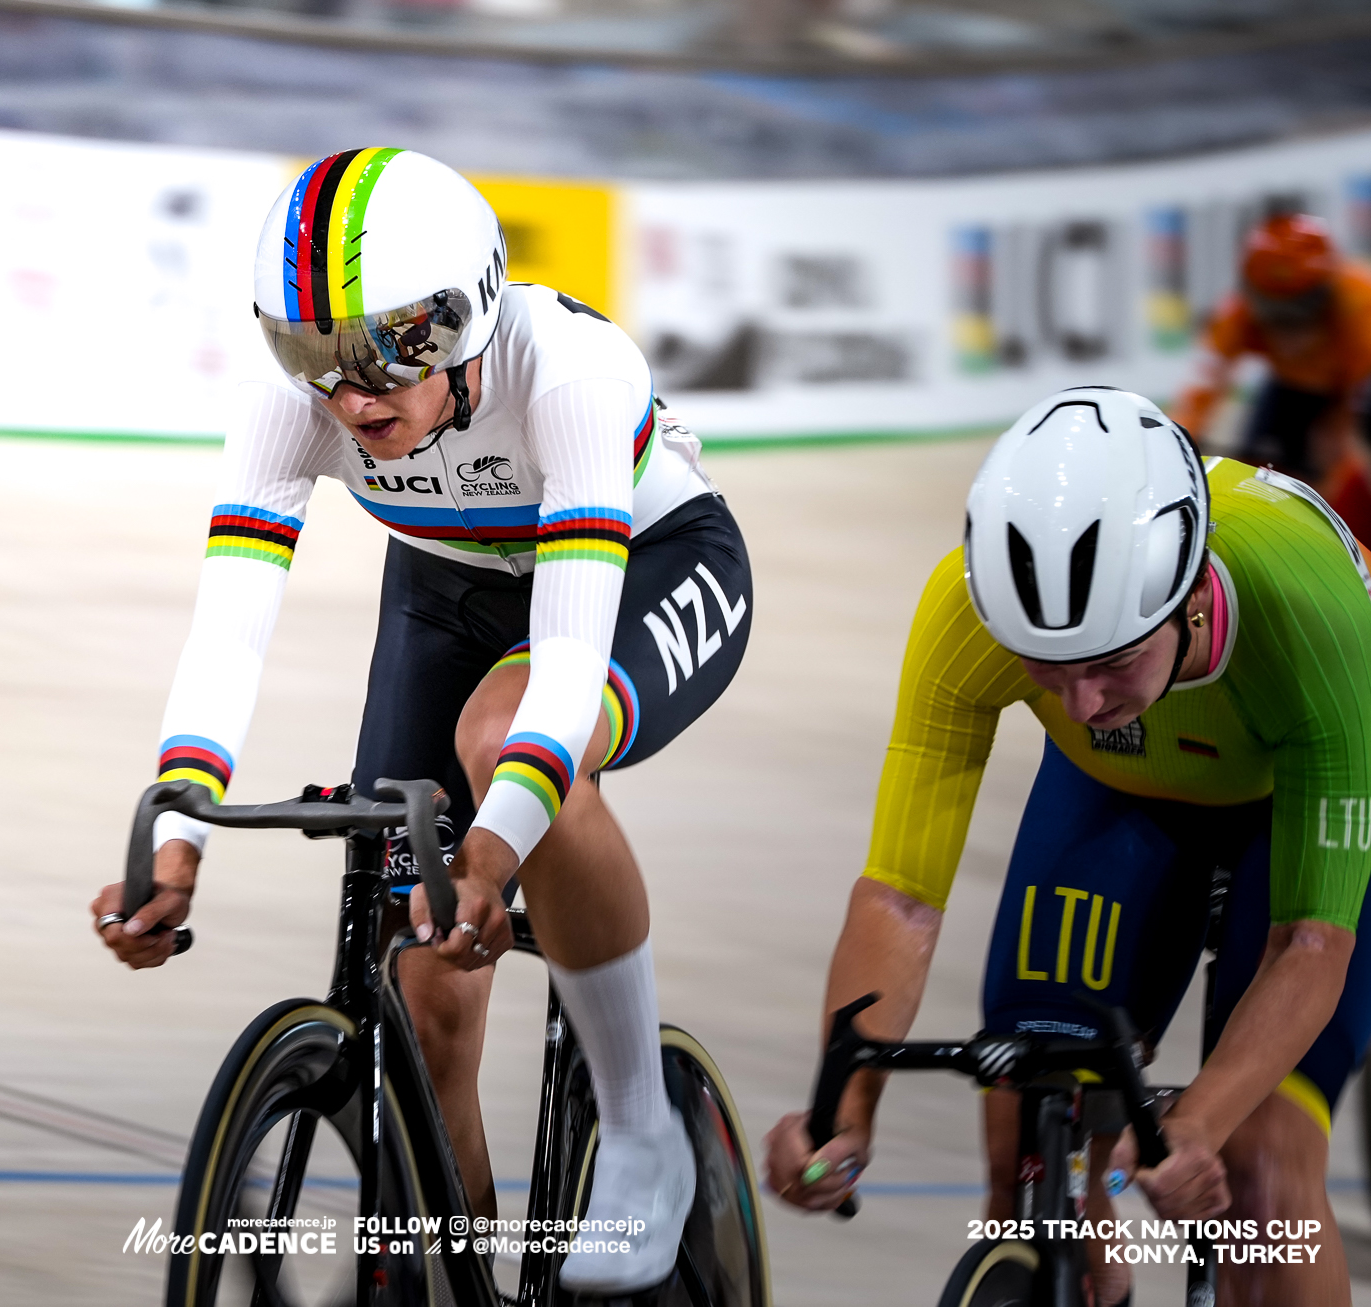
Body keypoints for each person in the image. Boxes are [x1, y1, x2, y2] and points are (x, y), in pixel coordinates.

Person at [88, 147, 752, 1294]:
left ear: (470, 309)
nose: (351, 396)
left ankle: (643, 1130)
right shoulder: (296, 405)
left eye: (393, 345)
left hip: (643, 563)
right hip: (446, 586)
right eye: (312, 355)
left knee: (512, 747)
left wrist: (494, 846)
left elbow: (566, 661)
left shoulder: (573, 373)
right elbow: (230, 628)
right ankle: (450, 1273)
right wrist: (177, 839)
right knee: (425, 972)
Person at [764, 386, 1371, 1305]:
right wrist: (842, 1109)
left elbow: (1311, 945)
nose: (1082, 703)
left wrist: (1199, 1122)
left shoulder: (1313, 618)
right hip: (1120, 783)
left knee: (1261, 1171)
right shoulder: (967, 610)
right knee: (1027, 1138)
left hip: (1305, 792)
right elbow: (900, 894)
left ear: (1187, 600)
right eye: (1051, 669)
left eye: (1112, 660)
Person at [1172, 211, 1371, 540]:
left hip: (1350, 392)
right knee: (1256, 469)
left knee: (1344, 474)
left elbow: (1357, 417)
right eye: (1273, 314)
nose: (1289, 331)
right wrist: (1178, 446)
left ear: (1328, 292)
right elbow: (1199, 393)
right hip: (1290, 387)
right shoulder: (1236, 315)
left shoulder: (1360, 303)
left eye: (1303, 309)